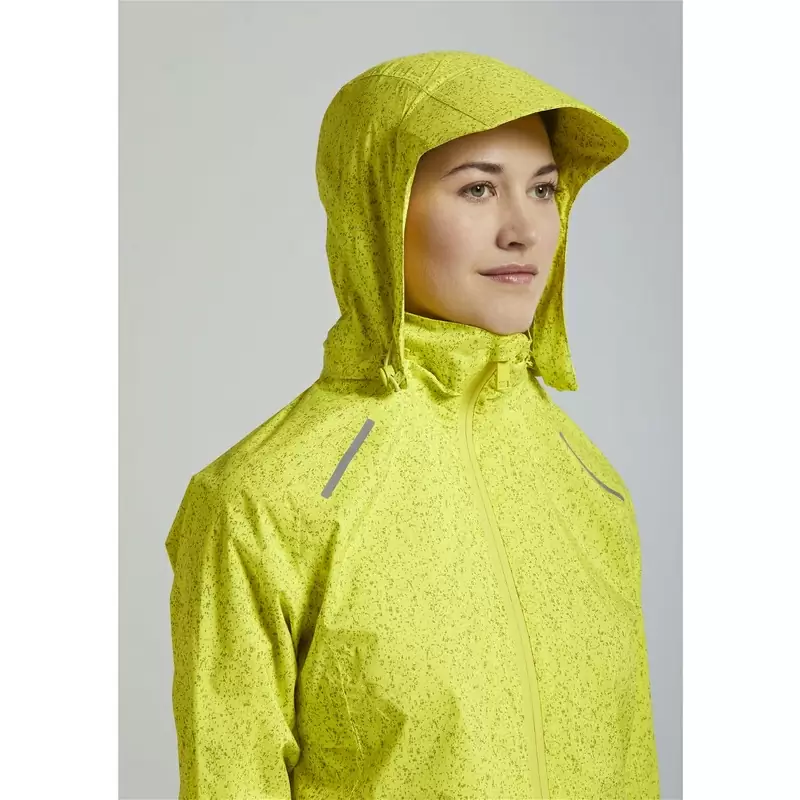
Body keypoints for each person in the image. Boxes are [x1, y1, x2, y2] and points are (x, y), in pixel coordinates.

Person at [165, 50, 660, 799]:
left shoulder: (592, 485)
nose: (524, 230)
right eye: (478, 188)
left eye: (543, 189)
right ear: (377, 208)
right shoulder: (261, 500)